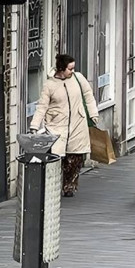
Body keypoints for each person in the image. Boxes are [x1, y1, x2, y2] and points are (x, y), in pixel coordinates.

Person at [30, 54, 99, 198]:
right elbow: (42, 106)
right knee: (58, 157)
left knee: (76, 157)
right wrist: (34, 126)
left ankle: (69, 185)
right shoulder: (50, 85)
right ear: (61, 68)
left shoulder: (78, 78)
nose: (72, 71)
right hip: (57, 125)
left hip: (77, 123)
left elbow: (88, 95)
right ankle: (54, 185)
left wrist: (93, 114)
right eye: (70, 69)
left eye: (73, 68)